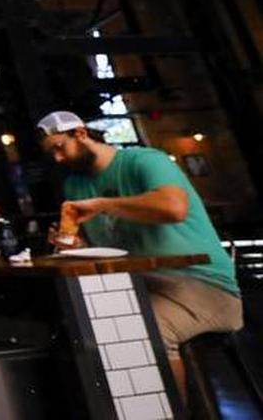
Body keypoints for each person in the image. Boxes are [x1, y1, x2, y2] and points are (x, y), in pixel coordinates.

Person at [37, 110, 242, 401]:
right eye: (51, 154)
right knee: (76, 324)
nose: (57, 159)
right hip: (139, 285)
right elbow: (109, 249)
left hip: (204, 284)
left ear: (80, 134)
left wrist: (104, 204)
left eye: (60, 147)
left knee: (140, 328)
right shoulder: (75, 186)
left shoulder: (145, 161)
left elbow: (174, 208)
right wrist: (75, 247)